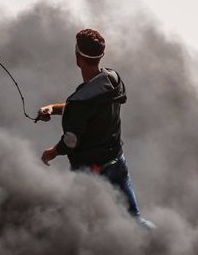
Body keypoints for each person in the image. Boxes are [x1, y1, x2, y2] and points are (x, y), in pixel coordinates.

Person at [39, 28, 154, 228]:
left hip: (92, 173)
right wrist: (53, 108)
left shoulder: (80, 101)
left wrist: (52, 152)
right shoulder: (112, 80)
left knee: (79, 227)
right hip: (118, 163)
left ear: (77, 58)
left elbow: (71, 141)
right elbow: (87, 110)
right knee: (135, 221)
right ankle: (160, 244)